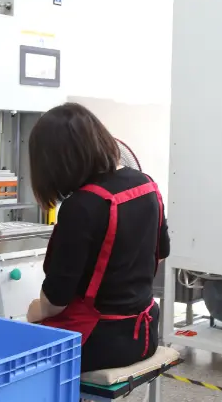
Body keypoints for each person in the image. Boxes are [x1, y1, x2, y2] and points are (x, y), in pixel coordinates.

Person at [24, 103, 170, 372]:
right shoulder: (146, 184)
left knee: (18, 350)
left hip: (99, 342)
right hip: (145, 333)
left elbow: (56, 300)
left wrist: (36, 310)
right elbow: (160, 253)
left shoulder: (81, 206)